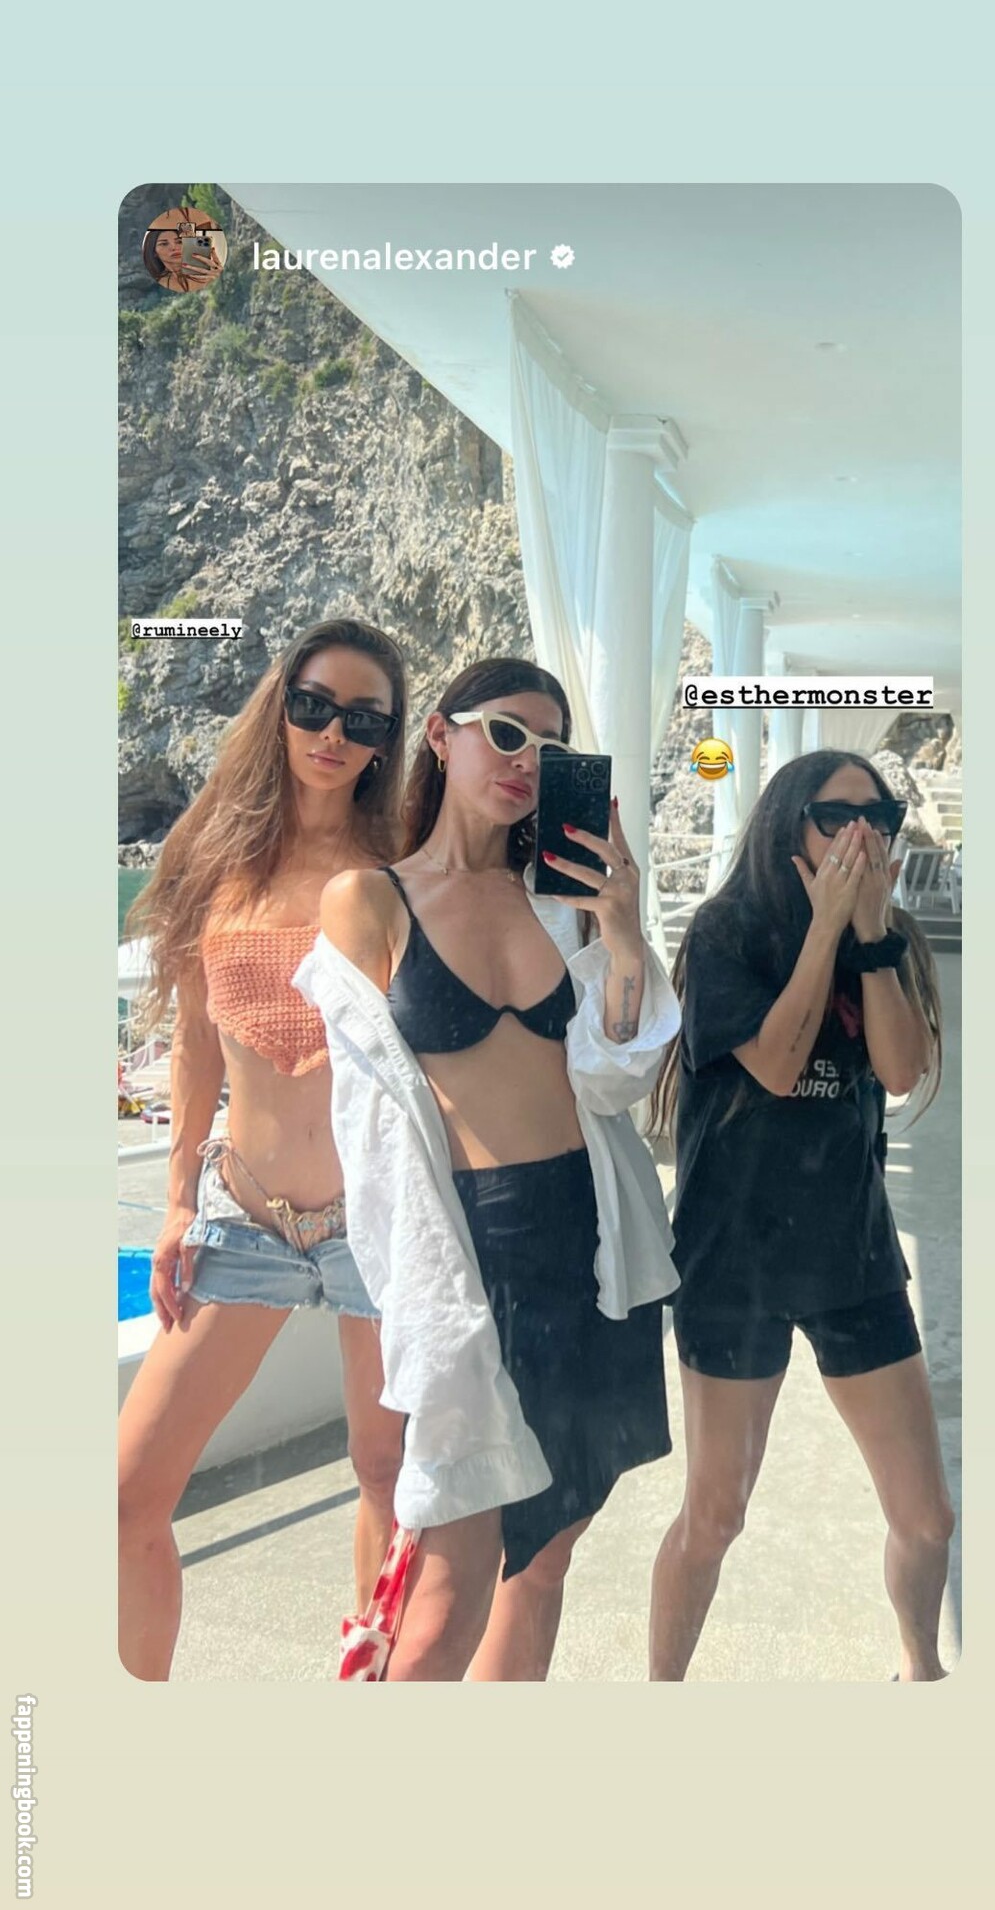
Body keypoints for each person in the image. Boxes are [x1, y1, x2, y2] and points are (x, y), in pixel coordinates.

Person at [294, 658, 681, 1680]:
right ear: (441, 734)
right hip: (470, 1251)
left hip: (591, 1245)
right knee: (447, 1592)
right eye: (507, 733)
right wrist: (424, 1309)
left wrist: (624, 936)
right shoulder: (368, 901)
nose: (527, 762)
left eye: (551, 749)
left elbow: (614, 1082)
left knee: (545, 1563)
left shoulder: (560, 903)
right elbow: (371, 1138)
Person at [118, 619, 409, 1680]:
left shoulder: (400, 868)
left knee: (390, 1483)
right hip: (244, 1220)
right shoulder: (215, 854)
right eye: (314, 706)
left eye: (363, 719)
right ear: (280, 708)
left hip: (375, 1225)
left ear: (388, 741)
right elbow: (198, 1044)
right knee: (125, 1498)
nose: (333, 734)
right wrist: (176, 1203)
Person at [647, 751, 954, 1682]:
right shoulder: (727, 931)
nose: (861, 836)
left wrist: (870, 938)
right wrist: (823, 932)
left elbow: (899, 1071)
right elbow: (778, 1068)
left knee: (927, 1517)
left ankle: (921, 1672)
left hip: (850, 1253)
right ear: (790, 824)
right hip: (732, 1259)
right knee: (716, 1515)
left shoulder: (889, 936)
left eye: (879, 819)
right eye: (836, 816)